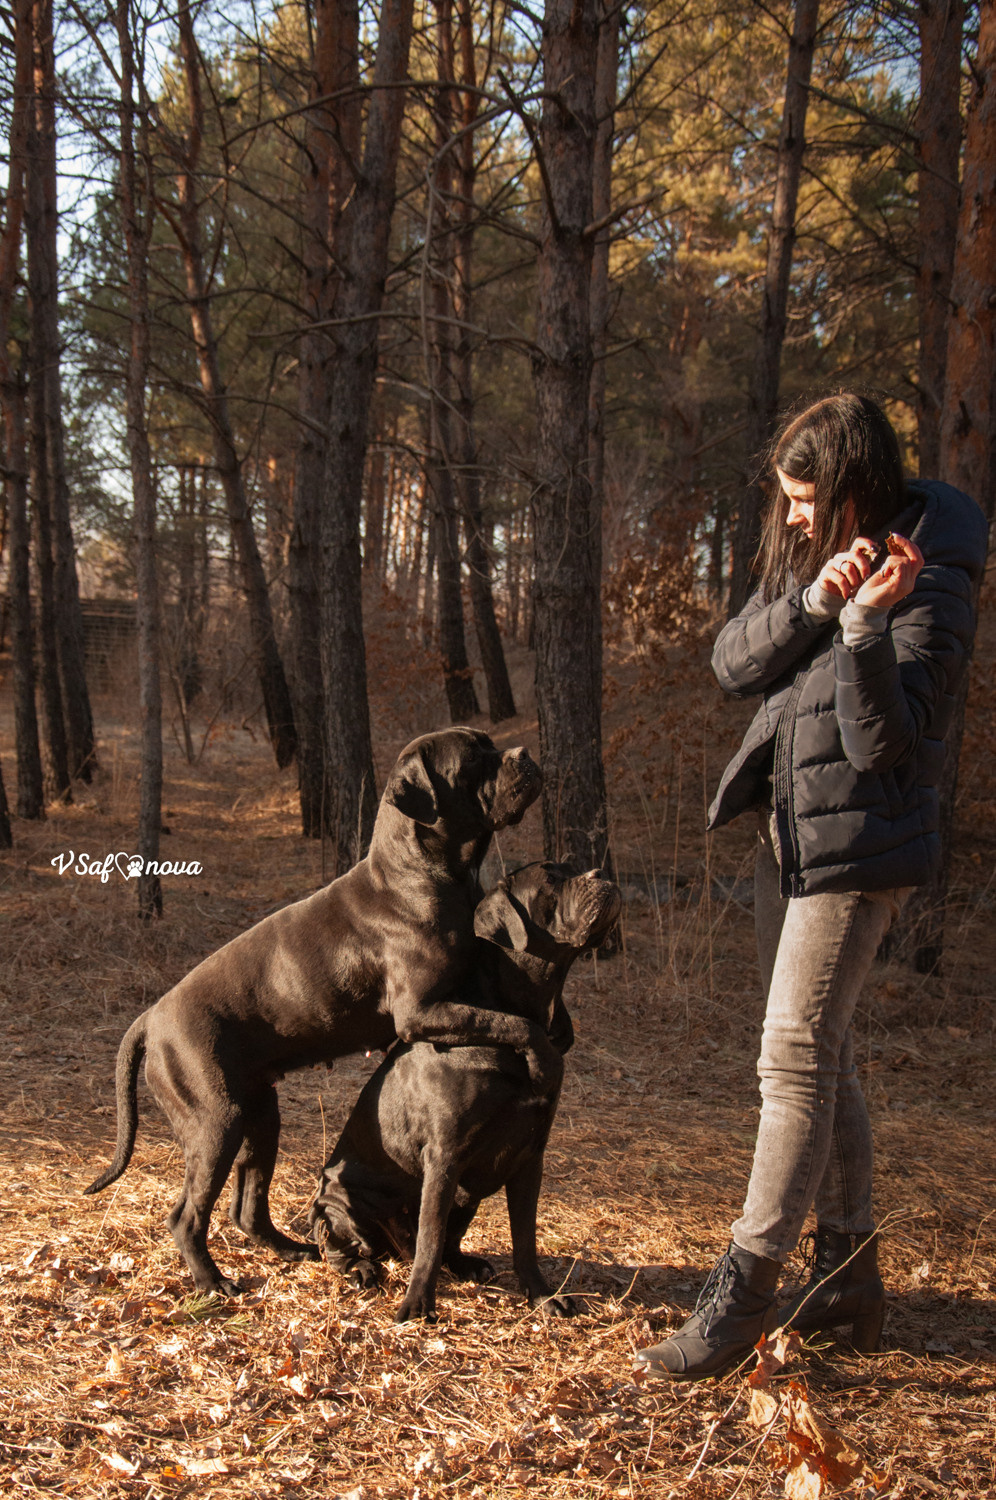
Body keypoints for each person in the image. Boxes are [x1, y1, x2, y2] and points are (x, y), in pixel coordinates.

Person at [635, 392, 988, 1381]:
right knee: (822, 1056)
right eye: (786, 499)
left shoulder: (938, 562)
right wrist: (816, 603)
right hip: (788, 833)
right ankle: (848, 1280)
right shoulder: (814, 547)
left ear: (852, 490)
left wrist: (869, 629)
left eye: (804, 499)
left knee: (792, 1059)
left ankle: (742, 1294)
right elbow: (730, 663)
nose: (790, 516)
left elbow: (888, 746)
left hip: (861, 849)